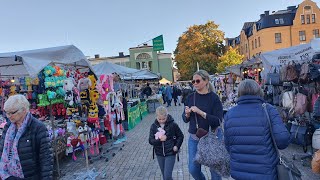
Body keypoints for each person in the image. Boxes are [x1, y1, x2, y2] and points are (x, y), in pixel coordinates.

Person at [224, 79, 290, 180]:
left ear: (239, 93)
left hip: (239, 173)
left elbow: (228, 146)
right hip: (266, 172)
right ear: (259, 91)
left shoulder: (230, 114)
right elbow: (282, 141)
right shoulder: (268, 110)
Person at [0, 94, 53, 179]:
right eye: (7, 112)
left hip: (31, 176)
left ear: (24, 110)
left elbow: (46, 158)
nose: (9, 116)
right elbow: (2, 150)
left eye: (12, 112)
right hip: (8, 176)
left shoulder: (38, 127)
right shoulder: (8, 127)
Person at [182, 70, 223, 180]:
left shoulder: (214, 98)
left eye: (197, 81)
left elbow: (218, 120)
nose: (195, 83)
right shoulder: (191, 97)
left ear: (206, 81)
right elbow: (185, 119)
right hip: (195, 138)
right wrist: (186, 114)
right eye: (193, 81)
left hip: (213, 137)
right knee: (193, 169)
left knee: (215, 171)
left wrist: (201, 113)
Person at [149, 106, 184, 180]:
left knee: (167, 176)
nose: (161, 121)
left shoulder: (173, 125)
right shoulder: (153, 126)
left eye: (163, 119)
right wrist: (159, 140)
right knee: (165, 176)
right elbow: (151, 140)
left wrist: (176, 146)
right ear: (156, 116)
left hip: (170, 152)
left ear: (167, 116)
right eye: (159, 119)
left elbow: (180, 136)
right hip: (159, 153)